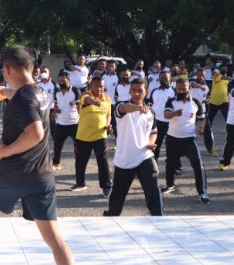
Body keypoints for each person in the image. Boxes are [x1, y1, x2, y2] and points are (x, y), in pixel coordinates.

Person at [0, 47, 89, 265]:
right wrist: (5, 93)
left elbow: (36, 133)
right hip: (41, 175)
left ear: (6, 70)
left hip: (12, 173)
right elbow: (23, 97)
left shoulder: (22, 100)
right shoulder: (40, 91)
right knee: (54, 238)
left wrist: (4, 150)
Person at [104, 77, 163, 216]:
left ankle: (159, 219)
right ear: (130, 91)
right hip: (124, 160)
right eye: (134, 90)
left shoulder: (150, 112)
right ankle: (110, 220)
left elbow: (153, 132)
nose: (137, 93)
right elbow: (125, 108)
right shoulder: (120, 106)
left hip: (144, 157)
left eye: (140, 91)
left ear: (146, 92)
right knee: (117, 200)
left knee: (154, 192)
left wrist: (151, 142)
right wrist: (138, 108)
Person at [162, 78, 209, 204]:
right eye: (179, 89)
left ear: (189, 88)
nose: (182, 91)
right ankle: (170, 185)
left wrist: (201, 126)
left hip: (189, 139)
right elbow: (166, 115)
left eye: (184, 89)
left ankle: (202, 192)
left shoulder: (196, 103)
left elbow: (201, 118)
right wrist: (174, 114)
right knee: (170, 164)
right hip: (173, 138)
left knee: (198, 165)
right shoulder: (171, 102)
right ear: (175, 89)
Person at [71, 76, 112, 196]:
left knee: (103, 162)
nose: (100, 88)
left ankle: (106, 186)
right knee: (80, 162)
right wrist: (95, 102)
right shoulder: (84, 95)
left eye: (102, 86)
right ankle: (80, 183)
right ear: (91, 86)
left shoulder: (107, 99)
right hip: (83, 136)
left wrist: (108, 124)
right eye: (97, 86)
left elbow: (108, 114)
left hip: (100, 135)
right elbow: (87, 100)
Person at [52, 71, 80, 170]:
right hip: (60, 124)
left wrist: (82, 121)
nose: (61, 82)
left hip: (74, 124)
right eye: (59, 81)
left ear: (69, 80)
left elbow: (79, 107)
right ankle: (56, 163)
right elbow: (56, 105)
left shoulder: (75, 91)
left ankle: (79, 166)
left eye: (63, 80)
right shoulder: (57, 92)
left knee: (78, 147)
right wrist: (56, 110)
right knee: (57, 146)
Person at [147, 70, 175, 160]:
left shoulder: (174, 92)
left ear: (170, 79)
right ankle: (153, 164)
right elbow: (150, 106)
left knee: (172, 147)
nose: (163, 80)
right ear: (158, 79)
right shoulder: (154, 91)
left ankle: (177, 167)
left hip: (171, 123)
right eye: (162, 78)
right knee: (156, 145)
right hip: (157, 122)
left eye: (166, 78)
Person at [190, 68, 215, 156]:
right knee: (189, 130)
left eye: (204, 75)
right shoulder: (191, 81)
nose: (202, 77)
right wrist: (201, 87)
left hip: (202, 110)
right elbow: (192, 84)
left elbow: (207, 96)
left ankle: (210, 149)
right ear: (197, 75)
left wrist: (206, 100)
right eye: (200, 75)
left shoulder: (207, 86)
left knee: (207, 130)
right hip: (191, 110)